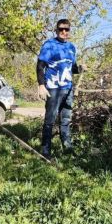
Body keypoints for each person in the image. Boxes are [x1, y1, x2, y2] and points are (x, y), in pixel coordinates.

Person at [37, 18, 82, 158]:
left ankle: (67, 149)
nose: (63, 31)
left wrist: (80, 68)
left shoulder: (72, 47)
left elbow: (71, 68)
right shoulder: (49, 45)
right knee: (49, 121)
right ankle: (46, 151)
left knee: (66, 120)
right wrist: (41, 85)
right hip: (53, 89)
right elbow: (40, 65)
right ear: (56, 30)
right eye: (61, 29)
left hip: (68, 89)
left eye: (66, 29)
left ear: (69, 30)